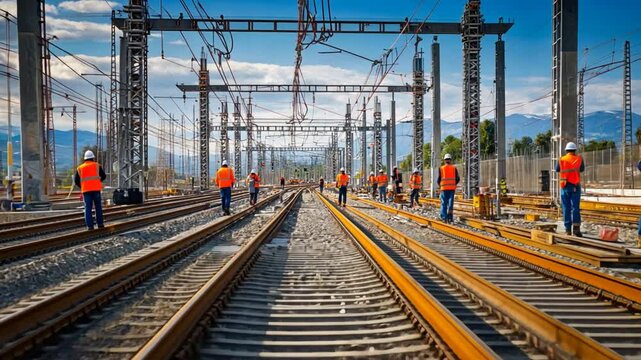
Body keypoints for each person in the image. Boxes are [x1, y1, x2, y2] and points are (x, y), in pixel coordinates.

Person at [555, 142, 585, 237]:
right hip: (575, 186)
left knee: (566, 207)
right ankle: (576, 229)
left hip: (564, 186)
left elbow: (557, 169)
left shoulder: (561, 159)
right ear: (575, 150)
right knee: (575, 207)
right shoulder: (579, 159)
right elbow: (582, 169)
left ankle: (568, 229)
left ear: (566, 150)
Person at [74, 150, 106, 230]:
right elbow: (104, 176)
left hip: (86, 190)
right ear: (93, 158)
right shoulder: (97, 165)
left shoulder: (80, 168)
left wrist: (82, 186)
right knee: (98, 207)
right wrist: (98, 182)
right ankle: (100, 224)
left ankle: (90, 226)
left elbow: (76, 180)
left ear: (85, 159)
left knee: (87, 208)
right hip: (96, 189)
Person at [437, 153, 460, 223]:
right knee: (450, 204)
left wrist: (440, 185)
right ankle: (450, 218)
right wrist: (453, 184)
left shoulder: (441, 168)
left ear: (444, 160)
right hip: (451, 189)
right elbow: (458, 178)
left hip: (444, 189)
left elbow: (439, 179)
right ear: (450, 160)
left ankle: (444, 218)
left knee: (444, 203)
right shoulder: (454, 168)